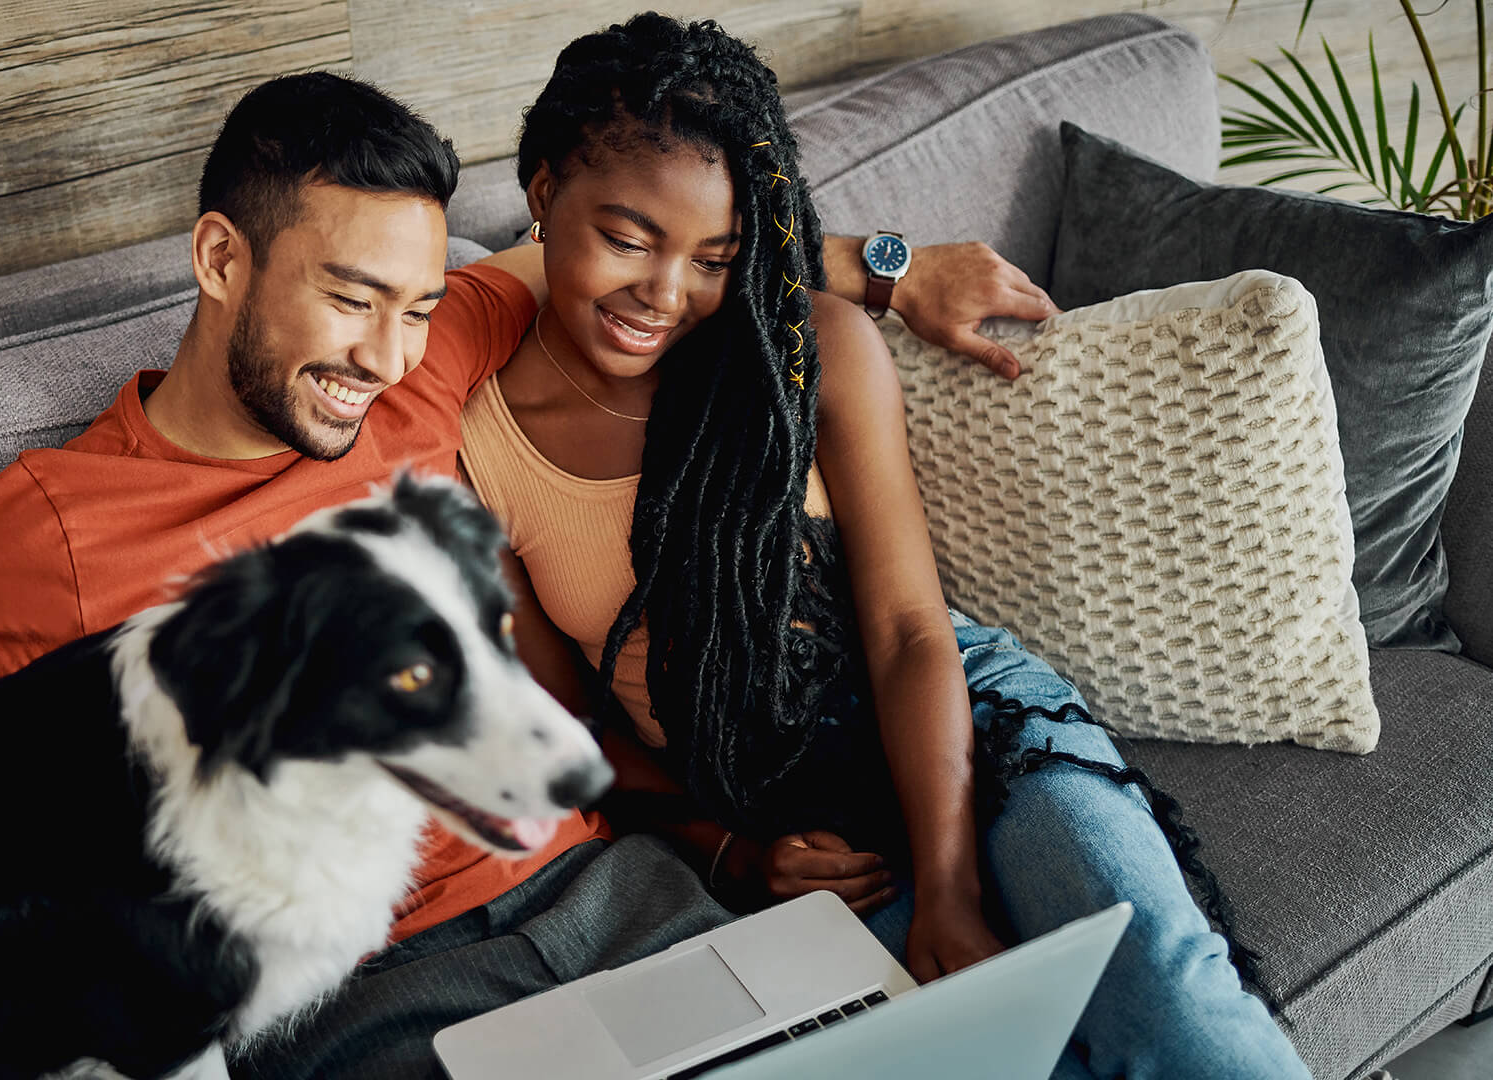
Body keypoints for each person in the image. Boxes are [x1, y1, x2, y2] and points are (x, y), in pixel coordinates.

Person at [0, 66, 1048, 1074]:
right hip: (367, 996)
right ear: (221, 257)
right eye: (347, 299)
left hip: (621, 895)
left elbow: (652, 257)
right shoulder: (53, 526)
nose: (388, 358)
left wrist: (889, 267)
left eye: (410, 307)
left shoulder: (418, 355)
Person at [456, 14, 1312, 1080]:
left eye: (714, 259)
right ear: (541, 194)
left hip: (966, 723)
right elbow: (568, 725)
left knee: (1168, 994)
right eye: (626, 239)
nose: (663, 296)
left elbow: (910, 632)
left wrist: (950, 885)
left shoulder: (805, 347)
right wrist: (729, 851)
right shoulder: (475, 436)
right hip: (772, 810)